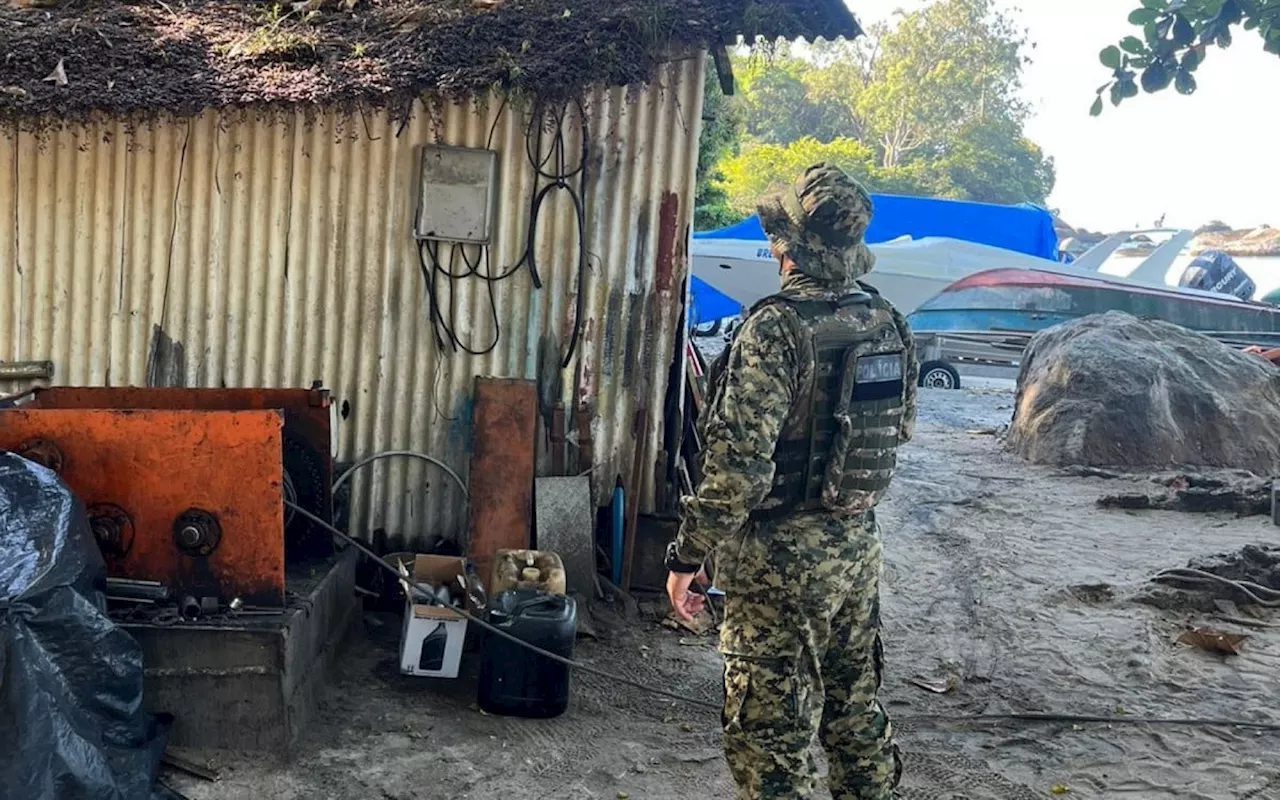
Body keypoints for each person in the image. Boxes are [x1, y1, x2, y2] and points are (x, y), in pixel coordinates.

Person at [665, 162, 918, 799]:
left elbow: (738, 470)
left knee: (769, 736)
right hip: (857, 546)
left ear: (788, 251)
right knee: (855, 712)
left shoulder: (775, 329)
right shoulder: (886, 321)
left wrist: (688, 556)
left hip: (781, 558)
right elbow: (899, 429)